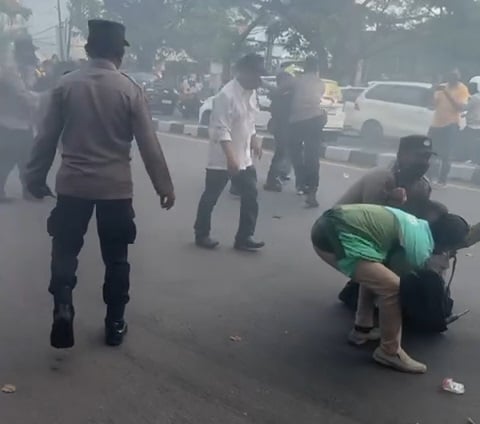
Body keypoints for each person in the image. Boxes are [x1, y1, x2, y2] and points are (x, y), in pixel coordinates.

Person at [24, 19, 175, 349]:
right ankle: (115, 323)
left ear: (89, 50)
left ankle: (63, 306)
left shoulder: (65, 86)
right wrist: (164, 185)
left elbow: (46, 138)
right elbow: (149, 145)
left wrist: (33, 176)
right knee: (116, 258)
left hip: (72, 187)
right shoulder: (129, 89)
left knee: (64, 251)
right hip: (115, 190)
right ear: (119, 53)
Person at [311, 204, 469, 373]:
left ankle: (362, 329)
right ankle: (389, 351)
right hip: (335, 237)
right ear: (446, 244)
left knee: (379, 276)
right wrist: (435, 268)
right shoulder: (419, 248)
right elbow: (403, 284)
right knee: (392, 288)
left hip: (331, 226)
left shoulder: (419, 226)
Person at [194, 53, 264, 251]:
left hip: (244, 157)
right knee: (211, 196)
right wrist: (230, 158)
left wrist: (254, 139)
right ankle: (201, 233)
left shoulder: (251, 92)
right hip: (223, 157)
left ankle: (244, 237)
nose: (259, 80)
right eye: (256, 75)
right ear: (245, 72)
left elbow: (249, 121)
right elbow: (220, 128)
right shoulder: (226, 95)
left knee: (251, 195)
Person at [336, 135, 434, 218]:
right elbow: (372, 219)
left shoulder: (423, 186)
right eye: (418, 156)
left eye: (427, 157)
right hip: (339, 226)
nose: (423, 162)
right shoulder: (380, 178)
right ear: (402, 155)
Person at [0, 35, 40, 201]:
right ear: (20, 52)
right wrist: (41, 99)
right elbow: (23, 96)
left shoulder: (24, 71)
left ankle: (29, 190)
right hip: (10, 123)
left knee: (26, 159)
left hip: (22, 123)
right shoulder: (11, 72)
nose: (32, 55)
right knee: (9, 159)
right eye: (28, 51)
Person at [289, 56, 327, 207]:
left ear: (305, 67)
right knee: (312, 155)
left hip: (297, 120)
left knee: (296, 152)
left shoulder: (297, 81)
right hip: (316, 119)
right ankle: (312, 191)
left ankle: (301, 182)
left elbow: (281, 91)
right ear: (316, 69)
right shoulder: (320, 83)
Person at [428, 69, 469, 186]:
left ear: (458, 78)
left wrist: (446, 93)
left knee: (446, 154)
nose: (452, 78)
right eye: (450, 76)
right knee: (429, 152)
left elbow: (459, 107)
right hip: (436, 123)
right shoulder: (442, 87)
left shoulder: (462, 89)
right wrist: (432, 91)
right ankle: (430, 177)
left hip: (451, 124)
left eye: (454, 76)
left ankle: (442, 180)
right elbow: (433, 104)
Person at [264, 71, 295, 192]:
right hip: (282, 127)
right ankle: (272, 179)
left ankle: (279, 175)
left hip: (283, 127)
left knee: (283, 152)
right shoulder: (283, 95)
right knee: (281, 152)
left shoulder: (282, 94)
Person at [462, 77, 480, 165]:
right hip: (477, 124)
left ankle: (470, 158)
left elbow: (466, 107)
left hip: (472, 125)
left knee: (468, 143)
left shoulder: (474, 98)